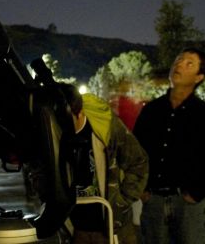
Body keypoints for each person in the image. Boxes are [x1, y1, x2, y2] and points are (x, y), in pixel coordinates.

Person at [133, 48, 205, 244]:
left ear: (199, 77)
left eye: (189, 63)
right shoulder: (152, 110)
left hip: (189, 204)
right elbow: (136, 152)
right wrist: (142, 189)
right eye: (178, 60)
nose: (179, 64)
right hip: (154, 200)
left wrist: (199, 193)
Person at [58, 83, 149, 244]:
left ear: (79, 112)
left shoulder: (105, 127)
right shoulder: (55, 130)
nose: (62, 127)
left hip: (112, 227)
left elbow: (138, 162)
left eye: (66, 120)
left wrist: (121, 202)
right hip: (75, 229)